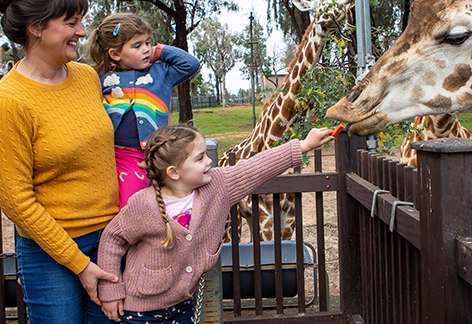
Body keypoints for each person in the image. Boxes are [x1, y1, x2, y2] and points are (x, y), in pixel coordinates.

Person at [97, 125, 335, 323]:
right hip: (139, 310)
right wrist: (110, 291)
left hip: (183, 307)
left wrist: (302, 145)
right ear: (174, 172)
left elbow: (255, 168)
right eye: (200, 158)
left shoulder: (218, 187)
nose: (210, 161)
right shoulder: (143, 205)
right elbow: (112, 239)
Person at [0, 0, 118, 323]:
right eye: (71, 23)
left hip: (110, 240)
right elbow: (16, 201)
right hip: (51, 253)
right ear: (36, 28)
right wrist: (78, 263)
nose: (82, 31)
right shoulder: (7, 102)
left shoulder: (87, 78)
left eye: (81, 21)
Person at [88, 13, 200, 208]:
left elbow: (190, 64)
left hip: (158, 153)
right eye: (137, 45)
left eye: (148, 42)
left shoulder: (161, 73)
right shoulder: (101, 79)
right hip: (119, 156)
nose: (146, 49)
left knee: (169, 202)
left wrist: (159, 51)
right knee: (130, 205)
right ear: (115, 54)